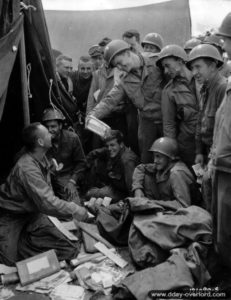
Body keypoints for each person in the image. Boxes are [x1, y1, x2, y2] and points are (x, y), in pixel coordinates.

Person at [0, 123, 88, 265]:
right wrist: (75, 209)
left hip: (33, 212)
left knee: (69, 249)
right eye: (47, 133)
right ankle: (19, 239)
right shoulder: (27, 168)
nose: (51, 134)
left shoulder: (41, 157)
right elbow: (47, 202)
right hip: (13, 215)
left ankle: (26, 239)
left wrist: (53, 169)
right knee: (9, 261)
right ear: (40, 142)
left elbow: (45, 190)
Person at [89, 39, 165, 163]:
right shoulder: (123, 79)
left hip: (167, 121)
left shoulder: (157, 62)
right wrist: (92, 115)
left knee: (170, 156)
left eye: (119, 62)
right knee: (146, 160)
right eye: (116, 66)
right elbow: (110, 100)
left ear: (127, 52)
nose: (119, 67)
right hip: (146, 124)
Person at [209, 12, 231, 268]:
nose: (223, 45)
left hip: (228, 164)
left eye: (226, 39)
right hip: (223, 164)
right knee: (223, 226)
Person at [156, 45, 198, 167]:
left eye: (167, 65)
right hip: (188, 146)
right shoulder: (168, 91)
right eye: (164, 67)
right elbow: (169, 125)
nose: (165, 71)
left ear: (180, 61)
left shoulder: (201, 79)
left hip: (208, 141)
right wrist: (173, 153)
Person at [187, 44, 227, 166]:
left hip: (219, 157)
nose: (194, 72)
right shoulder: (206, 88)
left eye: (198, 67)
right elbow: (200, 120)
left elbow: (223, 132)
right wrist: (199, 152)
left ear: (213, 66)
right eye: (192, 68)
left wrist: (213, 162)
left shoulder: (223, 88)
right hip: (208, 152)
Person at [132, 137, 196, 207]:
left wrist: (153, 203)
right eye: (154, 156)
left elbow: (183, 205)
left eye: (158, 156)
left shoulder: (177, 173)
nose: (155, 161)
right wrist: (137, 189)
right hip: (164, 204)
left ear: (169, 157)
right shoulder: (164, 165)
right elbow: (140, 168)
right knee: (147, 176)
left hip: (181, 213)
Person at [42, 108, 86, 204]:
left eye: (53, 126)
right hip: (46, 175)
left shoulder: (72, 138)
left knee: (75, 205)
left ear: (60, 125)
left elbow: (81, 163)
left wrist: (72, 182)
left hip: (65, 176)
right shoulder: (41, 139)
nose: (50, 130)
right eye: (47, 127)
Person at [86, 130, 139, 201]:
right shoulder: (112, 150)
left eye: (112, 145)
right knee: (97, 162)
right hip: (113, 185)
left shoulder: (127, 161)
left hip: (122, 193)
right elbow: (93, 154)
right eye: (107, 146)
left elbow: (131, 187)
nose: (109, 149)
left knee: (90, 194)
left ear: (121, 144)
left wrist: (130, 203)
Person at [71, 56, 94, 151]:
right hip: (75, 113)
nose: (85, 71)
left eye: (88, 68)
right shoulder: (72, 76)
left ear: (92, 68)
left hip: (91, 112)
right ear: (78, 68)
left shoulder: (95, 77)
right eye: (83, 68)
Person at [56, 55, 77, 123]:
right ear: (57, 67)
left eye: (71, 68)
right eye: (66, 68)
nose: (69, 70)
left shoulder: (69, 80)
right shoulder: (52, 82)